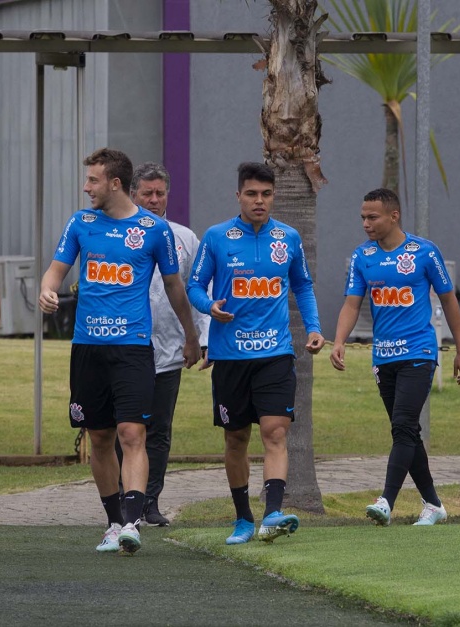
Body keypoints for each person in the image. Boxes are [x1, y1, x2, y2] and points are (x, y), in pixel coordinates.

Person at [39, 148, 201, 554]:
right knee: (99, 437)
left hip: (132, 349)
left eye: (93, 180)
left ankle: (132, 522)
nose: (86, 187)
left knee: (133, 434)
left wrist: (191, 334)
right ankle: (113, 521)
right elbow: (56, 270)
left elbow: (175, 287)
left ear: (114, 183)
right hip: (88, 349)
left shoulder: (153, 230)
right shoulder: (81, 222)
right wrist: (46, 289)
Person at [187, 162, 325, 545]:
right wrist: (209, 306)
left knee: (275, 430)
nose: (259, 201)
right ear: (239, 196)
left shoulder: (289, 238)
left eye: (266, 194)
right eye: (251, 194)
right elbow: (194, 285)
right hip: (230, 357)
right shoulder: (217, 237)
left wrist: (313, 327)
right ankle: (243, 518)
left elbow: (303, 286)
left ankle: (273, 513)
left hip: (275, 354)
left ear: (274, 196)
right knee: (235, 439)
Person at [330, 188, 460, 526]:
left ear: (394, 216)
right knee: (406, 433)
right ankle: (433, 505)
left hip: (419, 351)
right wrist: (339, 341)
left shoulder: (424, 251)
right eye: (362, 217)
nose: (366, 223)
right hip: (383, 356)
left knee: (403, 426)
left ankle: (386, 501)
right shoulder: (363, 256)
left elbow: (449, 299)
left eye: (372, 217)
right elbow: (352, 303)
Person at [115, 162, 210, 526]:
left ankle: (150, 500)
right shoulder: (117, 233)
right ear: (133, 194)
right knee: (121, 427)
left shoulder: (185, 238)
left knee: (158, 429)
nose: (154, 200)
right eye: (147, 193)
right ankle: (123, 500)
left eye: (160, 193)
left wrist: (200, 340)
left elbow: (197, 290)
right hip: (122, 347)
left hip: (168, 351)